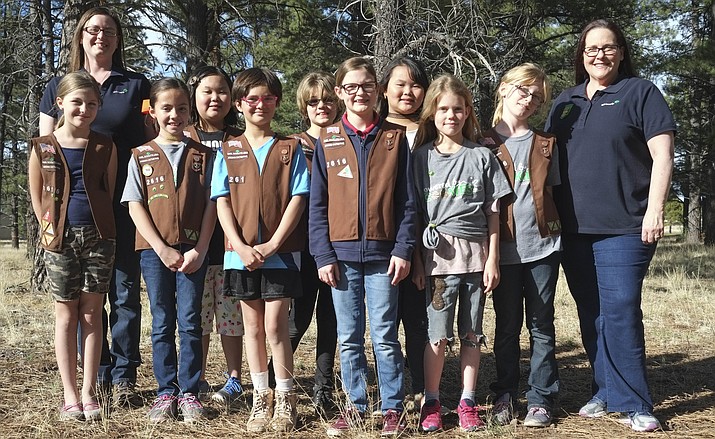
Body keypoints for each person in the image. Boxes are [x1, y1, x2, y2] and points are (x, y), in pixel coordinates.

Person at [546, 19, 675, 433]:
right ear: (581, 55)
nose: (598, 55)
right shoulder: (565, 102)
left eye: (608, 47)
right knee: (592, 312)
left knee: (620, 310)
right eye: (590, 49)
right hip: (574, 230)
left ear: (621, 52)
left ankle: (635, 401)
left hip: (625, 226)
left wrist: (656, 209)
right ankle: (605, 390)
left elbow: (663, 156)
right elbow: (542, 158)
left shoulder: (641, 92)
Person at [39, 6, 153, 406]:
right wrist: (48, 219)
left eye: (108, 30)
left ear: (118, 39)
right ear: (80, 36)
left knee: (123, 292)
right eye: (92, 29)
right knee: (84, 301)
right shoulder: (56, 84)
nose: (100, 36)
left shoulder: (136, 84)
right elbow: (46, 152)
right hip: (73, 211)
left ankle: (123, 377)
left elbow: (153, 136)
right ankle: (95, 376)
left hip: (126, 203)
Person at [309, 56, 416, 437]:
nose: (359, 93)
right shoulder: (328, 139)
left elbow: (407, 201)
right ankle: (355, 406)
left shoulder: (394, 138)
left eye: (366, 86)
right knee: (349, 337)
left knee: (385, 336)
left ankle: (392, 408)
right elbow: (317, 204)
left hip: (385, 257)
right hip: (340, 258)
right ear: (339, 93)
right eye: (351, 87)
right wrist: (322, 254)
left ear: (377, 91)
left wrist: (403, 249)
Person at [412, 74, 512, 433]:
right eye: (443, 109)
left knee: (472, 334)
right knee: (437, 335)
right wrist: (418, 263)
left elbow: (493, 213)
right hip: (437, 258)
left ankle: (468, 400)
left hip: (475, 258)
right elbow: (415, 213)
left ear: (468, 111)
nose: (451, 115)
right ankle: (432, 400)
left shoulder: (482, 155)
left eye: (458, 109)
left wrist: (493, 259)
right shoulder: (420, 158)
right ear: (432, 113)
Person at [212, 67, 309, 433]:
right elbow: (221, 201)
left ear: (277, 102)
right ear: (239, 104)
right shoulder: (229, 149)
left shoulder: (290, 148)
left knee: (276, 325)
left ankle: (285, 398)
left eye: (268, 98)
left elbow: (298, 198)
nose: (260, 105)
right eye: (252, 98)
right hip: (239, 255)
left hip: (281, 254)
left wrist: (271, 244)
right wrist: (239, 244)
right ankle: (260, 396)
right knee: (251, 327)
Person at [122, 78, 215, 423]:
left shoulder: (204, 156)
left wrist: (200, 250)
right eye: (166, 108)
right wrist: (160, 248)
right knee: (162, 320)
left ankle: (189, 390)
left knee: (190, 320)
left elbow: (212, 206)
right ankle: (165, 391)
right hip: (153, 251)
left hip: (193, 252)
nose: (174, 114)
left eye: (181, 108)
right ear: (153, 113)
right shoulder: (141, 156)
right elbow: (134, 206)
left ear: (190, 111)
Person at [29, 72, 117, 422]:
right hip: (60, 240)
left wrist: (103, 229)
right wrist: (50, 230)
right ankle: (69, 393)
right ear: (61, 102)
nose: (84, 109)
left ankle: (89, 390)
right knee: (66, 313)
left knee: (93, 313)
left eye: (92, 103)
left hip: (100, 237)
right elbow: (37, 194)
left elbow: (107, 190)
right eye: (77, 102)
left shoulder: (104, 145)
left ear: (99, 107)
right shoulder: (43, 144)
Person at [481, 63, 561, 428]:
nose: (528, 100)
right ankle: (505, 394)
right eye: (523, 91)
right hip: (504, 252)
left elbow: (555, 194)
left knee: (541, 324)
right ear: (504, 89)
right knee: (507, 324)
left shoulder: (546, 143)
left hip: (544, 247)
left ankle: (542, 398)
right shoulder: (482, 143)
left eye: (536, 97)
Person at [185, 65, 245, 407]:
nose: (214, 98)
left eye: (221, 91)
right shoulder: (185, 134)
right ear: (194, 95)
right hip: (192, 241)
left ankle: (234, 378)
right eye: (207, 90)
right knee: (198, 313)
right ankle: (199, 376)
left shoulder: (239, 138)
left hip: (232, 241)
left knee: (231, 313)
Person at [285, 71, 341, 415]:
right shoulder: (291, 145)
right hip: (303, 246)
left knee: (332, 321)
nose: (322, 106)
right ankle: (280, 385)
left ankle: (324, 388)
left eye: (328, 100)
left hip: (341, 245)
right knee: (298, 319)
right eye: (314, 101)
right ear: (304, 106)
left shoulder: (345, 140)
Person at [378, 56, 430, 402]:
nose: (408, 92)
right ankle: (391, 392)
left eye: (415, 84)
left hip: (429, 236)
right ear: (384, 90)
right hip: (384, 237)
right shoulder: (375, 130)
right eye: (400, 84)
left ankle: (423, 388)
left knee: (418, 318)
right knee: (385, 320)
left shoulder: (434, 127)